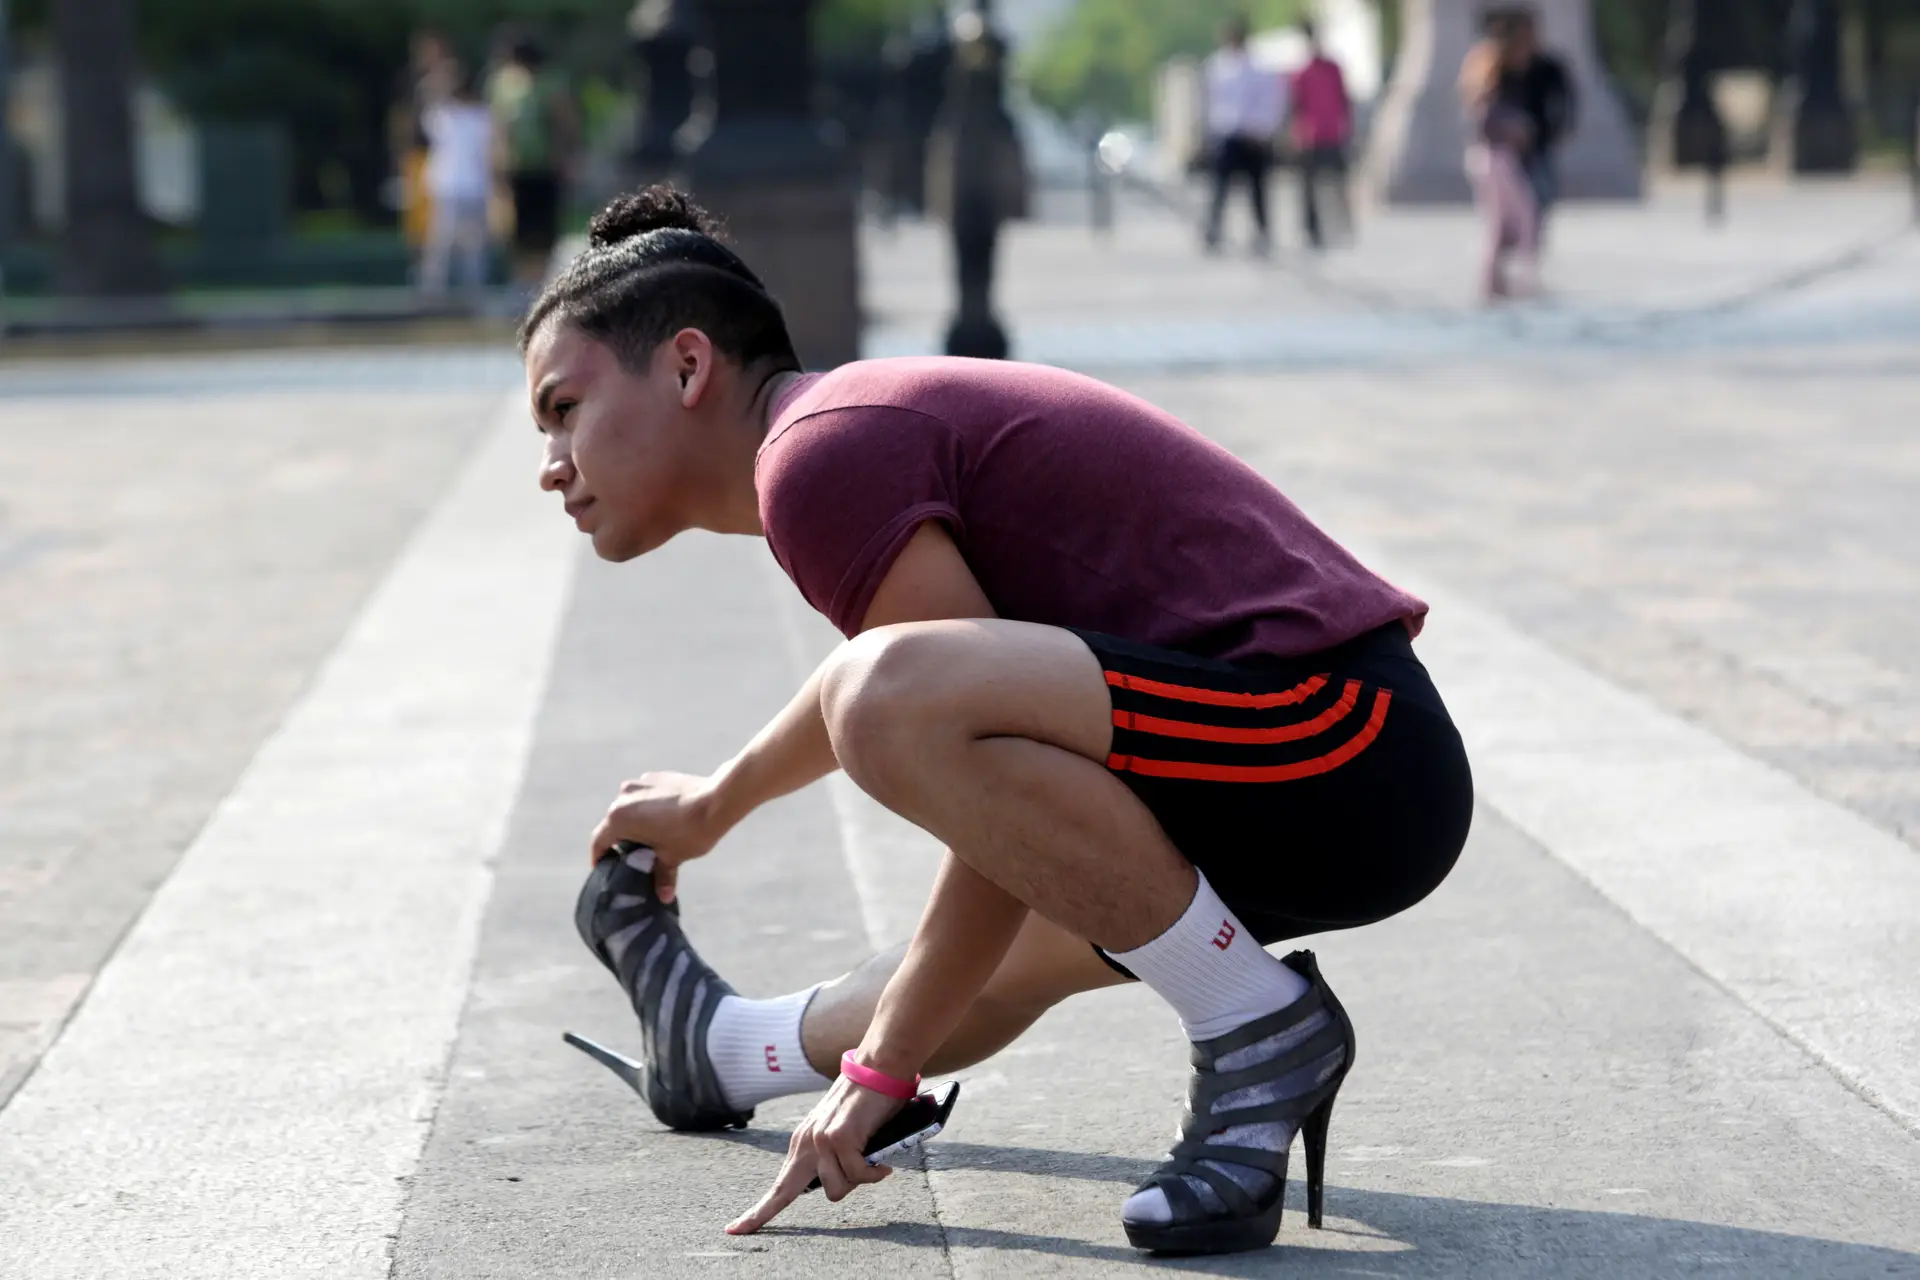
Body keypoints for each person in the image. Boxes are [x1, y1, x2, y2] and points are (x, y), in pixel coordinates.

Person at [527, 185, 1473, 1256]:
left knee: (901, 745)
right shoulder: (835, 437)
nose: (550, 460)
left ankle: (1259, 1025)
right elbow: (922, 690)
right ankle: (722, 1049)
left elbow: (910, 711)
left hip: (1338, 739)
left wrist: (887, 1067)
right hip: (1285, 763)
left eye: (563, 407)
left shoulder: (821, 456)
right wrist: (716, 801)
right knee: (995, 942)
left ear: (689, 366)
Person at [1460, 13, 1539, 301]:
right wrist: (1515, 126)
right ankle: (1521, 278)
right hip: (1495, 156)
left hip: (1487, 156)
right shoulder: (1491, 67)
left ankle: (1493, 279)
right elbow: (1482, 113)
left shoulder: (1486, 65)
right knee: (1524, 215)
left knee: (1497, 221)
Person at [489, 32, 578, 290]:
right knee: (516, 231)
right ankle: (522, 283)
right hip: (516, 168)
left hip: (545, 169)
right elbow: (499, 127)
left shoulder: (549, 84)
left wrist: (565, 157)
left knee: (544, 230)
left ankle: (539, 283)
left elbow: (564, 124)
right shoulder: (504, 85)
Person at [1200, 16, 1286, 255]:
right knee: (1220, 189)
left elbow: (1271, 101)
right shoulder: (1217, 66)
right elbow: (1211, 103)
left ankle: (1262, 232)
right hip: (1228, 134)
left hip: (1253, 136)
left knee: (1257, 190)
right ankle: (1213, 231)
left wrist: (1262, 128)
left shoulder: (1258, 68)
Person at [419, 63, 496, 295]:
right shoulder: (444, 115)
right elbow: (427, 103)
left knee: (472, 247)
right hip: (450, 187)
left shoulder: (483, 116)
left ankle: (472, 291)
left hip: (473, 188)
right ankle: (432, 290)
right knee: (441, 243)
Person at [1503, 8, 1577, 237]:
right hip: (1510, 146)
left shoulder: (1548, 66)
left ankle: (1531, 234)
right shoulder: (1505, 67)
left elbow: (1565, 99)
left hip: (1540, 142)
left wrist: (1560, 128)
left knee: (1543, 191)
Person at [1287, 20, 1354, 251]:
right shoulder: (1302, 72)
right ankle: (1311, 230)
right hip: (1310, 135)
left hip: (1332, 133)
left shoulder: (1333, 69)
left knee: (1338, 183)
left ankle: (1342, 225)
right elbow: (1295, 106)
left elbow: (1345, 101)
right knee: (1308, 188)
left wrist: (1348, 128)